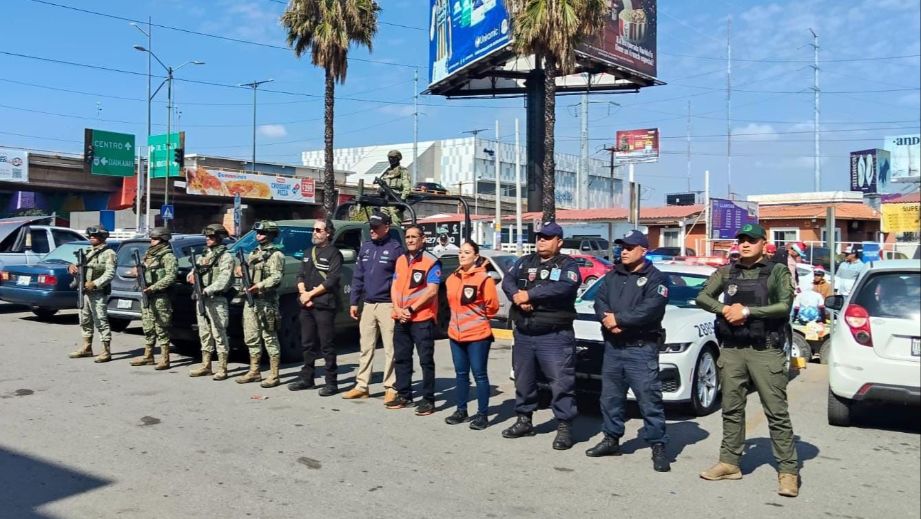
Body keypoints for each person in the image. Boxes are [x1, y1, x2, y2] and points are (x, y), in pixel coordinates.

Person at [695, 223, 799, 498]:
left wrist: (748, 311)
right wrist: (725, 309)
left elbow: (784, 306)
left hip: (765, 351)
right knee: (731, 408)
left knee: (776, 412)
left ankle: (788, 471)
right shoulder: (727, 271)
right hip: (732, 350)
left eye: (751, 240)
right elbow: (702, 296)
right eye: (741, 239)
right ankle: (729, 462)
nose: (745, 244)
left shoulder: (777, 271)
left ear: (763, 243)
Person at [585, 230, 671, 472]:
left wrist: (619, 320)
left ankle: (658, 445)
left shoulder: (656, 278)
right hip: (614, 348)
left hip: (640, 349)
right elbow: (600, 301)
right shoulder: (613, 275)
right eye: (622, 247)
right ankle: (611, 439)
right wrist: (607, 319)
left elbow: (651, 309)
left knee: (649, 400)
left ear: (643, 250)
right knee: (610, 398)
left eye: (630, 247)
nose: (624, 251)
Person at [501, 221, 582, 450]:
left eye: (547, 237)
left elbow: (564, 287)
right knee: (523, 380)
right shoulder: (525, 261)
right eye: (539, 237)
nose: (541, 241)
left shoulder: (568, 264)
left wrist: (531, 296)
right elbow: (508, 281)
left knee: (561, 383)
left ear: (559, 242)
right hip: (525, 333)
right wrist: (517, 296)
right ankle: (524, 420)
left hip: (554, 335)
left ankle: (564, 426)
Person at [342, 211, 404, 403]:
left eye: (376, 227)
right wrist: (354, 301)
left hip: (388, 305)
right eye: (371, 227)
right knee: (366, 347)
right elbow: (358, 276)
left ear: (386, 227)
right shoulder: (366, 247)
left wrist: (398, 305)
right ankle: (362, 386)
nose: (372, 231)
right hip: (368, 304)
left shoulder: (396, 249)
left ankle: (391, 387)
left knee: (390, 349)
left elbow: (401, 280)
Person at [444, 240, 499, 430]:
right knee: (461, 374)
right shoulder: (452, 278)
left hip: (478, 335)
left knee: (479, 375)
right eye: (460, 252)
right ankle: (461, 410)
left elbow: (492, 307)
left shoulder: (484, 279)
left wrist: (476, 319)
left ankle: (482, 414)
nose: (462, 255)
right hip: (455, 335)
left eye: (467, 252)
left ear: (476, 257)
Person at [387, 225, 442, 415]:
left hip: (421, 318)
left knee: (425, 360)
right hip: (401, 317)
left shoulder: (431, 261)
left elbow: (432, 290)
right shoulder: (401, 259)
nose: (410, 240)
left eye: (414, 237)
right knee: (401, 358)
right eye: (407, 237)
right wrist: (397, 308)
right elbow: (394, 286)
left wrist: (411, 309)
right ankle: (404, 395)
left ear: (423, 239)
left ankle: (428, 400)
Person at [289, 218, 343, 396]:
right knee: (307, 343)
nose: (314, 233)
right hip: (306, 305)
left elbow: (332, 280)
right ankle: (307, 378)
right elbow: (300, 275)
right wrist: (303, 293)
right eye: (314, 229)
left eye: (318, 230)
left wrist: (310, 295)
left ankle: (331, 382)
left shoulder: (334, 253)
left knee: (327, 345)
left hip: (324, 305)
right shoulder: (308, 252)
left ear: (328, 233)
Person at [237, 220, 286, 388]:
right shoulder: (254, 252)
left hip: (267, 301)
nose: (258, 235)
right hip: (251, 301)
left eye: (262, 233)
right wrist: (240, 272)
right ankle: (254, 371)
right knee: (251, 336)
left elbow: (276, 277)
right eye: (257, 232)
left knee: (269, 337)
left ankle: (274, 374)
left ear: (271, 235)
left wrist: (260, 285)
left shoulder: (276, 255)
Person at [187, 224, 235, 380]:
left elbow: (224, 279)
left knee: (219, 333)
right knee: (204, 332)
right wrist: (191, 275)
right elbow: (195, 270)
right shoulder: (204, 254)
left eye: (211, 237)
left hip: (216, 299)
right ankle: (206, 365)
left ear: (220, 238)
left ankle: (222, 367)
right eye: (207, 236)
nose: (208, 239)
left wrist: (208, 290)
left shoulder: (225, 257)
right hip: (202, 299)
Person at [129, 227, 177, 370]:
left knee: (161, 327)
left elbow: (171, 276)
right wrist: (136, 271)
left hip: (160, 296)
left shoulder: (168, 256)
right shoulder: (149, 255)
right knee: (148, 326)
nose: (152, 241)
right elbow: (141, 269)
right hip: (147, 294)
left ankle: (165, 358)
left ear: (163, 240)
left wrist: (154, 287)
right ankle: (148, 355)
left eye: (155, 239)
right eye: (152, 238)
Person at [68, 225, 117, 362]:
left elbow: (110, 273)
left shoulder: (109, 253)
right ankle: (87, 347)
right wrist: (71, 267)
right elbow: (79, 267)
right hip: (83, 291)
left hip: (97, 292)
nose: (91, 238)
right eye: (90, 236)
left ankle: (106, 350)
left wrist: (95, 283)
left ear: (102, 237)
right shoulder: (88, 252)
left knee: (101, 320)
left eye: (94, 236)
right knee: (84, 320)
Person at [377, 150, 411, 223]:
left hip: (395, 200)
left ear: (398, 159)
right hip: (385, 201)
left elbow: (407, 188)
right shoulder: (387, 171)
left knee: (396, 222)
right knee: (382, 222)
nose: (391, 159)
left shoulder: (402, 171)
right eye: (389, 158)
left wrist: (401, 201)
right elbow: (383, 184)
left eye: (393, 158)